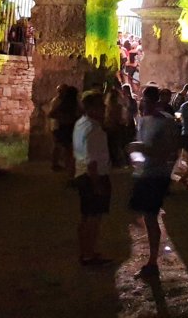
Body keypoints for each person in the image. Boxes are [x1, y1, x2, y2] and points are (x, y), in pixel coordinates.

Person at [127, 86, 179, 279]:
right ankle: (153, 257)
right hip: (144, 173)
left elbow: (169, 151)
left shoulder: (165, 123)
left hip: (156, 175)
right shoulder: (143, 121)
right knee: (144, 216)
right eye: (143, 101)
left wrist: (144, 149)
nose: (144, 104)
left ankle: (153, 260)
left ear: (155, 101)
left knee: (150, 216)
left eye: (147, 101)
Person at [73, 90, 112, 265]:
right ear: (93, 108)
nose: (104, 109)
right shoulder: (94, 129)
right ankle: (89, 253)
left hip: (81, 174)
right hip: (93, 177)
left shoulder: (80, 124)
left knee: (85, 216)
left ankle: (84, 251)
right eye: (101, 106)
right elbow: (93, 161)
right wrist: (97, 184)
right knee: (94, 219)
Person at [48, 84, 79, 181]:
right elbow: (52, 114)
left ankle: (69, 170)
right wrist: (65, 118)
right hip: (62, 127)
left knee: (68, 150)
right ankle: (62, 167)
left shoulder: (69, 103)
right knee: (64, 149)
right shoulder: (58, 102)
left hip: (65, 127)